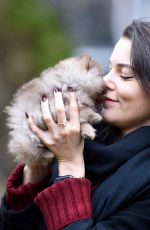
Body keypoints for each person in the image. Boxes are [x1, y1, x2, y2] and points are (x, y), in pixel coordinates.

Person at [1, 18, 150, 230]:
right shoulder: (76, 137)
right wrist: (37, 167)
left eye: (125, 75)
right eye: (109, 69)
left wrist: (70, 164)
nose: (106, 81)